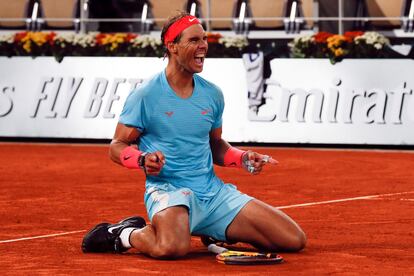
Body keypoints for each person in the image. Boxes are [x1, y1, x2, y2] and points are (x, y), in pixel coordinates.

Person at [82, 11, 306, 259]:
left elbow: (215, 145)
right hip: (169, 191)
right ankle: (124, 234)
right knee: (172, 248)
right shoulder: (146, 95)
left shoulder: (212, 95)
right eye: (193, 40)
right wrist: (142, 159)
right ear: (172, 47)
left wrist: (242, 157)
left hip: (213, 193)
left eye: (204, 39)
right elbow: (117, 145)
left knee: (293, 239)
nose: (202, 47)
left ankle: (216, 230)